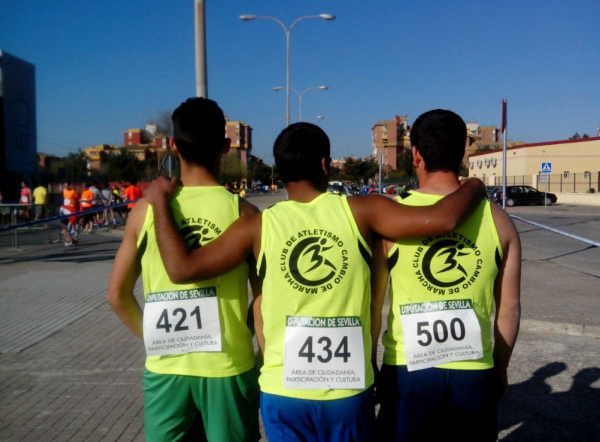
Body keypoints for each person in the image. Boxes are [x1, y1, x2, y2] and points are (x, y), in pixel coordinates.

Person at [143, 122, 487, 441]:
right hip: (347, 390)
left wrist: (159, 201)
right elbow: (444, 219)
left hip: (283, 391)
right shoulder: (362, 211)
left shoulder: (258, 226)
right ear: (325, 165)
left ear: (280, 170)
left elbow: (182, 268)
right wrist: (473, 183)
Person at [107, 97, 261, 442]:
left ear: (173, 145)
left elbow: (117, 295)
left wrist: (156, 340)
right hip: (228, 366)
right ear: (225, 146)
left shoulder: (143, 211)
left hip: (166, 369)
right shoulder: (248, 215)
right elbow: (264, 298)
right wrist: (247, 337)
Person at [371, 109, 521, 441]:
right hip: (473, 371)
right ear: (465, 153)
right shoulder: (499, 221)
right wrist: (499, 368)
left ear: (415, 155)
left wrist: (371, 366)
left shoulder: (390, 219)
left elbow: (372, 308)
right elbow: (508, 309)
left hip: (408, 370)